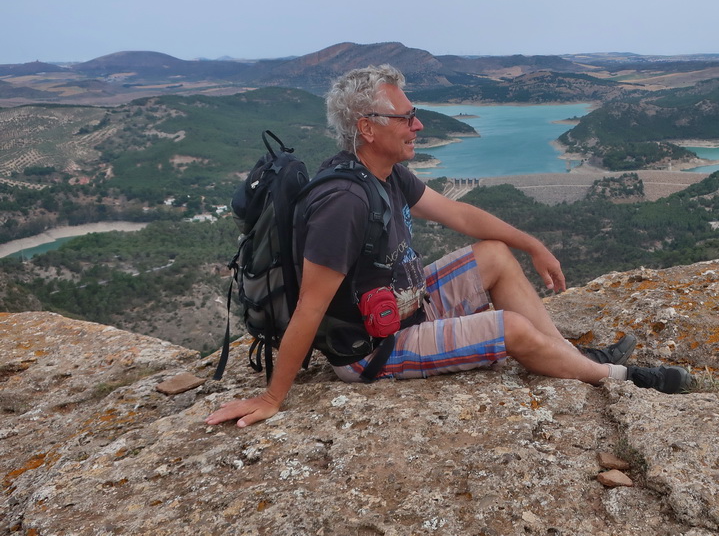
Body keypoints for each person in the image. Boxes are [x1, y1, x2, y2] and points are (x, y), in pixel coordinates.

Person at [207, 65, 690, 428]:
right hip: (373, 347)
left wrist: (531, 244)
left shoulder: (384, 172)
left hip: (406, 308)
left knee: (496, 254)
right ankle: (620, 378)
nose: (418, 125)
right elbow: (310, 308)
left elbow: (459, 214)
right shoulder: (343, 202)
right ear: (367, 128)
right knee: (512, 330)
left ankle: (574, 356)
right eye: (407, 117)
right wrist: (272, 398)